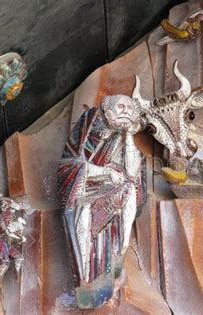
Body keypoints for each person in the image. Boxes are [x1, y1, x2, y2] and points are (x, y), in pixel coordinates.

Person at [57, 94, 146, 308]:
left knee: (128, 191)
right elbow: (71, 165)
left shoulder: (128, 144)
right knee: (84, 210)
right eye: (120, 107)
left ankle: (120, 254)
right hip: (85, 193)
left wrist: (129, 136)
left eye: (130, 108)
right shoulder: (91, 127)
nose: (126, 111)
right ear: (107, 111)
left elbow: (133, 175)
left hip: (114, 197)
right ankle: (86, 276)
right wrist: (105, 173)